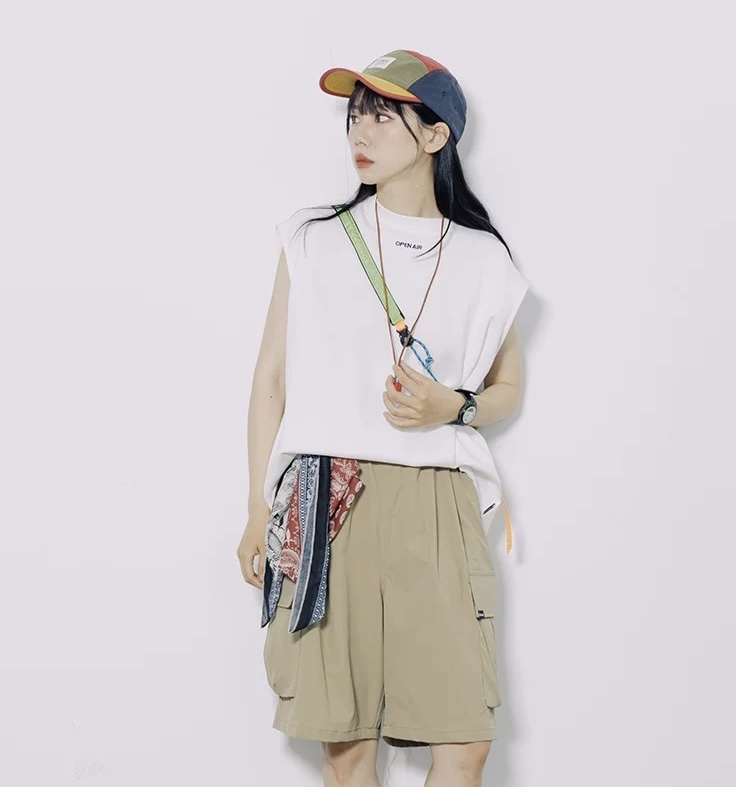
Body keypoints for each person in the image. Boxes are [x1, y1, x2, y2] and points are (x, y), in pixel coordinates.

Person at [237, 49, 529, 787]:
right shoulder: (311, 237)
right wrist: (256, 511)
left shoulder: (483, 259)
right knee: (347, 745)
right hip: (329, 494)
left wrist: (452, 406)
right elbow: (270, 380)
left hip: (437, 498)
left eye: (382, 117)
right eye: (355, 117)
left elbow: (506, 389)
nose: (360, 133)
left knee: (462, 739)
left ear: (435, 135)